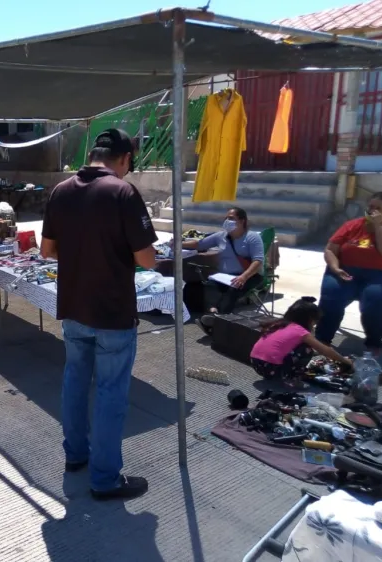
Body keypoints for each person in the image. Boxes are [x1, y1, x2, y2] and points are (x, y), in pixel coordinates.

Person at [40, 128, 157, 500]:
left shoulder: (61, 190)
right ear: (123, 159)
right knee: (110, 393)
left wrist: (82, 253)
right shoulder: (123, 191)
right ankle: (105, 478)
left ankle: (76, 456)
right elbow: (147, 258)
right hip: (111, 311)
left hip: (74, 306)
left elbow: (47, 250)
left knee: (75, 381)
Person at [316, 190, 382, 352]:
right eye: (370, 207)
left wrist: (379, 226)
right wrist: (335, 268)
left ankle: (374, 342)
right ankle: (322, 339)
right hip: (345, 271)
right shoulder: (352, 225)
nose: (371, 211)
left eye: (378, 208)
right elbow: (330, 249)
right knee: (332, 296)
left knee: (377, 301)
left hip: (381, 274)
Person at [184, 207, 265, 334]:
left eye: (231, 218)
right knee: (210, 284)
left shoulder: (252, 238)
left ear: (242, 221)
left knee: (233, 288)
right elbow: (199, 244)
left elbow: (258, 261)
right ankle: (213, 314)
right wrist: (179, 242)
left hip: (250, 275)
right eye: (226, 218)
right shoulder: (221, 236)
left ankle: (218, 321)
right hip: (225, 276)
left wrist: (243, 277)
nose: (227, 220)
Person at [251, 297, 352, 386]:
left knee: (302, 347)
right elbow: (325, 350)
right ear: (309, 319)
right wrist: (345, 361)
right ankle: (293, 379)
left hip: (256, 364)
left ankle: (280, 373)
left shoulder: (278, 323)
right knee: (307, 349)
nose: (315, 324)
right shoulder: (300, 331)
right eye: (315, 321)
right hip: (271, 368)